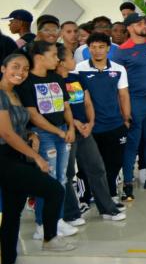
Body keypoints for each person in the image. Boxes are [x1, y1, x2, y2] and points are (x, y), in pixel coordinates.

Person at [1, 53, 74, 264]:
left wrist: (31, 134)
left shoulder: (14, 93)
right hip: (4, 157)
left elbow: (17, 126)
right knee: (54, 190)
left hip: (17, 155)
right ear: (3, 68)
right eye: (15, 66)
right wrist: (37, 157)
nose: (20, 72)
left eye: (24, 68)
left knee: (13, 213)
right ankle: (49, 238)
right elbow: (5, 133)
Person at [16, 41, 78, 239]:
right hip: (43, 136)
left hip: (62, 132)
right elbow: (34, 116)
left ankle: (57, 220)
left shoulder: (56, 78)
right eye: (53, 55)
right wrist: (59, 133)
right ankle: (42, 225)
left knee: (61, 178)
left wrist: (69, 127)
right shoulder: (27, 83)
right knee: (48, 180)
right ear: (40, 57)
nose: (57, 59)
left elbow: (66, 106)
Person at [60, 46, 126, 223]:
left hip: (85, 131)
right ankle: (72, 213)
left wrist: (91, 123)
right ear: (61, 62)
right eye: (69, 56)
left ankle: (107, 208)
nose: (73, 59)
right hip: (68, 131)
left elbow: (88, 102)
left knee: (97, 168)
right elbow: (60, 108)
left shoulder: (77, 77)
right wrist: (74, 123)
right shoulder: (54, 81)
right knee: (66, 174)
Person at [77, 33, 130, 202]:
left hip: (114, 124)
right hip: (90, 127)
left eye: (101, 47)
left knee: (114, 163)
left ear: (108, 48)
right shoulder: (79, 69)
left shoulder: (118, 68)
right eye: (93, 47)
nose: (97, 51)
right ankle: (85, 198)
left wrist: (126, 119)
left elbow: (123, 95)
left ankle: (111, 194)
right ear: (88, 49)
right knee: (87, 166)